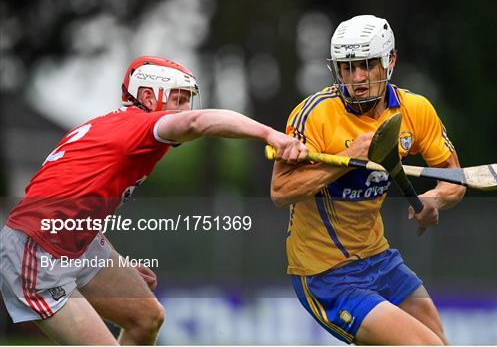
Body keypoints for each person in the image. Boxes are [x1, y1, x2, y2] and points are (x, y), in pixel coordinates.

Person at [0, 55, 308, 345]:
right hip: (36, 252)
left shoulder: (117, 128)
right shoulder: (141, 126)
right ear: (148, 98)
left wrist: (117, 260)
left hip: (76, 243)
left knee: (146, 318)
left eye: (188, 99)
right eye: (178, 99)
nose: (186, 108)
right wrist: (272, 135)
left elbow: (75, 201)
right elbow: (196, 123)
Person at [271, 15, 466, 345]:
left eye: (367, 65)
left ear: (389, 62)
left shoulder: (415, 110)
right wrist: (348, 162)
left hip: (380, 258)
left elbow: (454, 178)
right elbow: (280, 192)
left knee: (440, 342)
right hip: (325, 274)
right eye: (347, 68)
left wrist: (435, 199)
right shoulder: (314, 114)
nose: (356, 78)